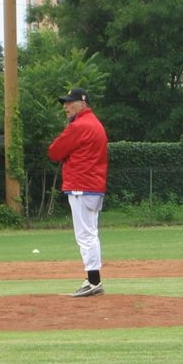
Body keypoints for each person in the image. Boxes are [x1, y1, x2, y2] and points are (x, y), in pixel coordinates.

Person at [48, 88, 108, 297]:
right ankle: (92, 278)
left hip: (81, 186)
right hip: (93, 186)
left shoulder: (79, 125)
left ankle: (93, 281)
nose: (65, 106)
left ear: (82, 103)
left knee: (85, 234)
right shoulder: (95, 123)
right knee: (90, 232)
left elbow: (54, 152)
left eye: (69, 102)